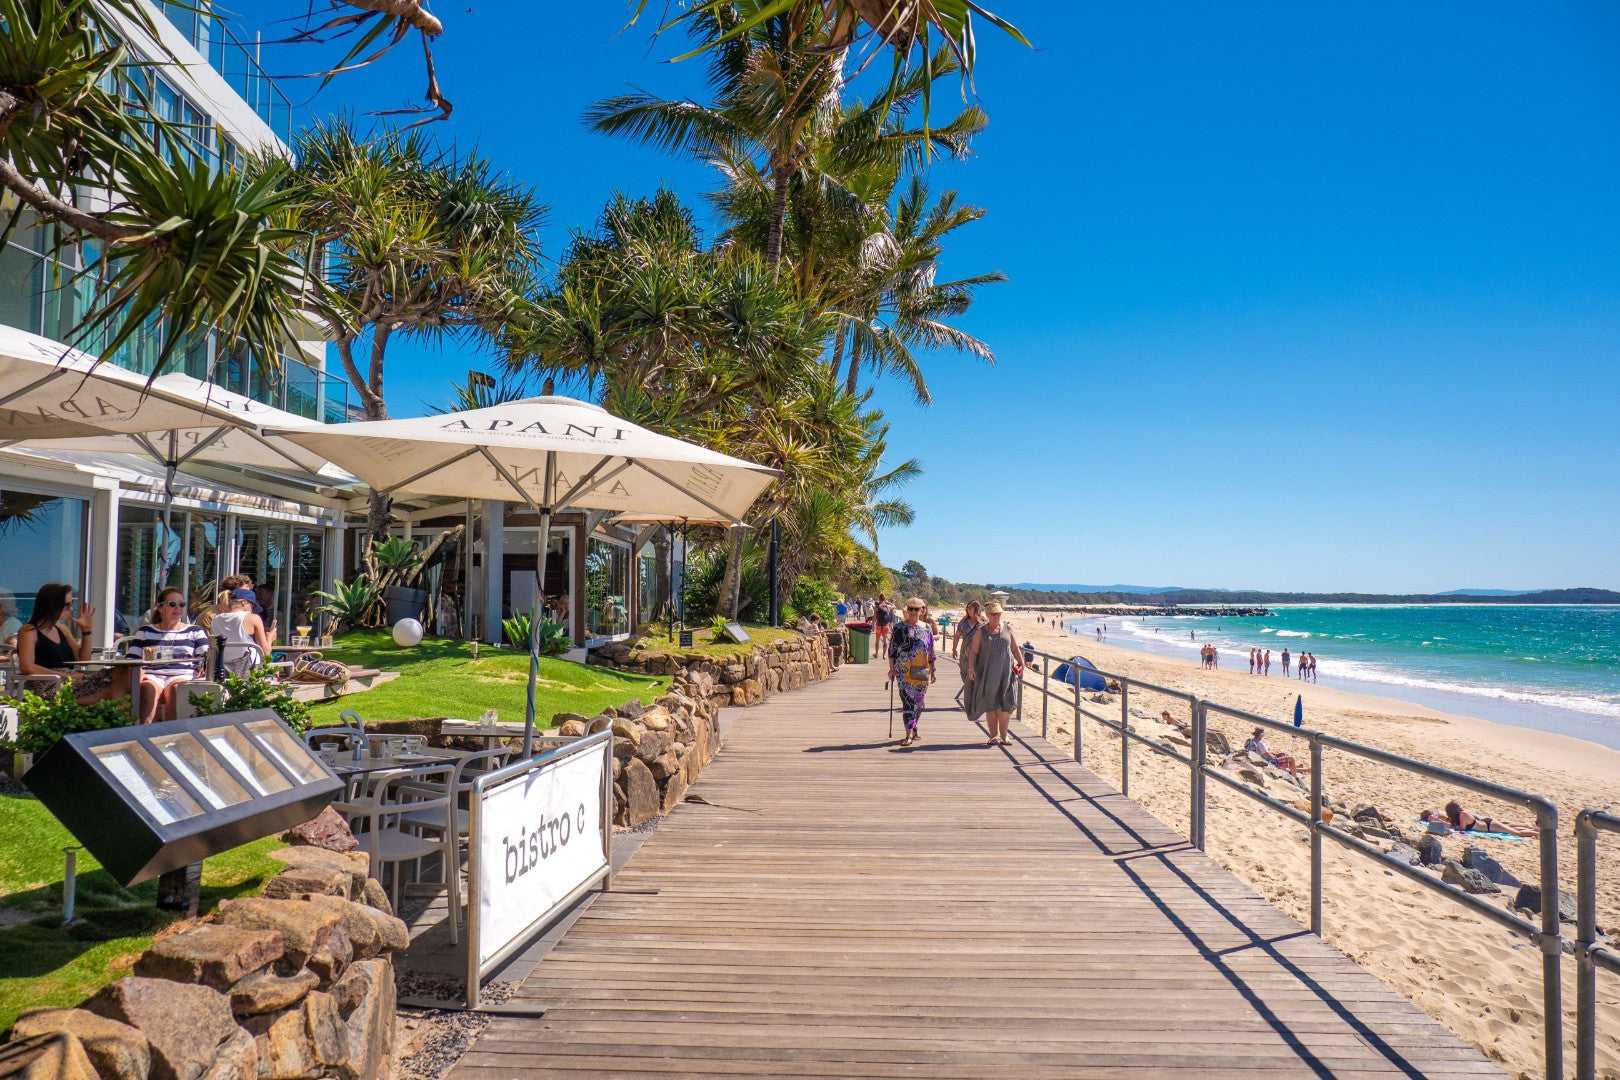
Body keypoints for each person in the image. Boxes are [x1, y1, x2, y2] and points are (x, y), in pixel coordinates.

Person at [15, 583, 119, 703]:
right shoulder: (29, 631)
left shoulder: (62, 629)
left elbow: (83, 659)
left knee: (119, 675)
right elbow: (27, 667)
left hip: (70, 681)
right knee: (112, 688)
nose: (71, 609)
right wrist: (64, 676)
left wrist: (86, 631)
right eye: (67, 605)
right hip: (49, 686)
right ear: (53, 605)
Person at [123, 587, 210, 723]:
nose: (178, 608)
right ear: (160, 607)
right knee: (148, 689)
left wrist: (202, 668)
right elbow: (131, 660)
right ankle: (144, 733)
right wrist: (140, 674)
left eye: (181, 605)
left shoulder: (194, 631)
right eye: (172, 604)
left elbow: (206, 657)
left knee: (176, 690)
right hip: (152, 674)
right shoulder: (145, 631)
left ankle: (170, 735)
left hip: (182, 674)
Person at [964, 601, 1021, 747]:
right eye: (993, 614)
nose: (996, 616)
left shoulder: (1007, 628)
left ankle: (1004, 735)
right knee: (991, 704)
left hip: (1006, 673)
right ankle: (994, 736)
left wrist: (1021, 662)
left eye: (998, 614)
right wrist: (971, 668)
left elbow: (1014, 648)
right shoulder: (981, 631)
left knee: (1006, 705)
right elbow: (973, 652)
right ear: (988, 615)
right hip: (988, 673)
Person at [888, 598, 936, 747]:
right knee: (908, 703)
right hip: (903, 671)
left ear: (922, 610)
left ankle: (913, 725)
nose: (914, 612)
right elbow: (892, 651)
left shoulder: (927, 628)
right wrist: (892, 669)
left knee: (920, 704)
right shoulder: (898, 628)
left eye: (917, 609)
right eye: (911, 609)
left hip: (922, 670)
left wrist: (933, 670)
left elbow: (931, 651)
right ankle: (908, 735)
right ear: (907, 610)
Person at [212, 587, 273, 676]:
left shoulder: (216, 619)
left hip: (223, 670)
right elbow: (266, 652)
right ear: (244, 602)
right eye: (252, 606)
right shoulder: (253, 618)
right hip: (249, 670)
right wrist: (270, 638)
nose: (252, 610)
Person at [1420, 801, 1534, 838]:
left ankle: (1538, 833)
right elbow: (1447, 821)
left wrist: (1441, 822)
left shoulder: (1462, 815)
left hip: (1490, 826)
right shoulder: (1457, 816)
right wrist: (1437, 819)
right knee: (1510, 827)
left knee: (1516, 833)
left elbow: (1461, 829)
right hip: (1486, 824)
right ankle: (1532, 828)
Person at [873, 594, 893, 659]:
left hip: (878, 625)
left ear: (879, 598)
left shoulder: (877, 606)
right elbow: (894, 606)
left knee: (877, 640)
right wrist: (887, 602)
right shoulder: (887, 606)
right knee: (885, 640)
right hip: (885, 625)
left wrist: (873, 625)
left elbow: (875, 616)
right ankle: (884, 655)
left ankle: (876, 654)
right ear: (884, 599)